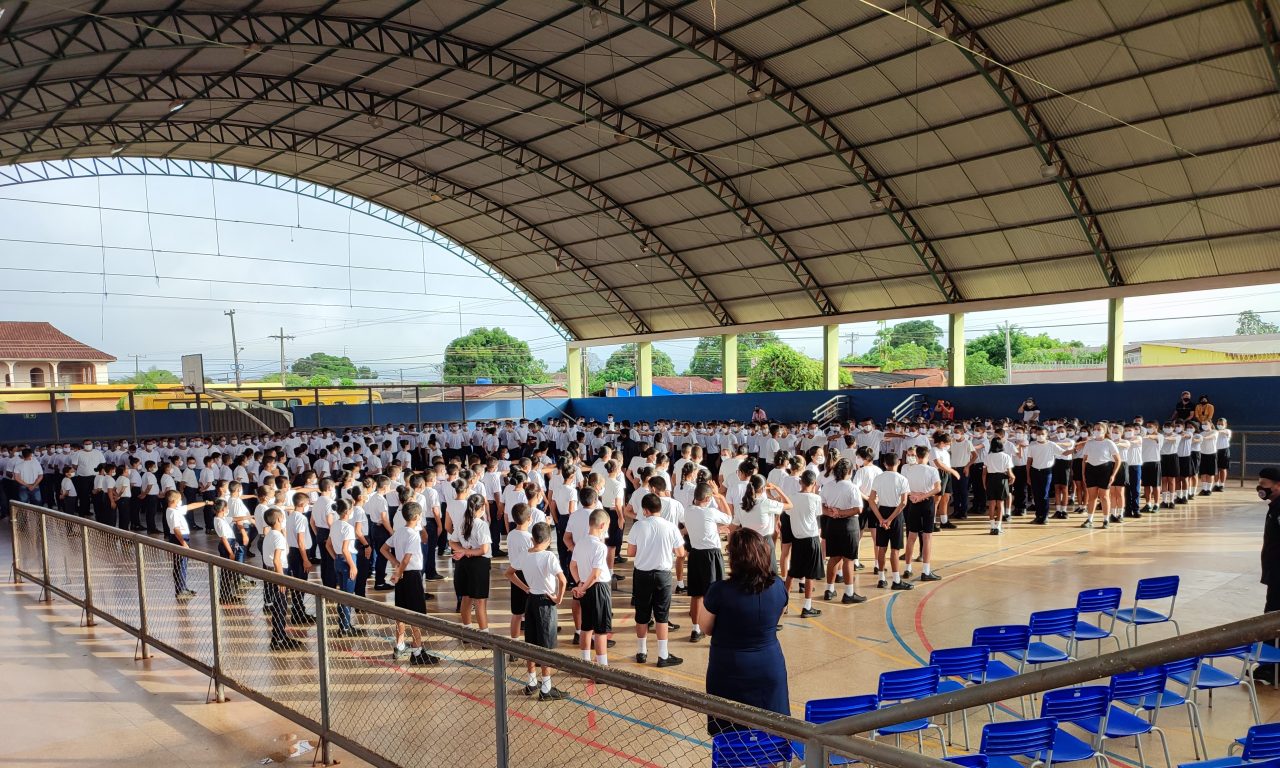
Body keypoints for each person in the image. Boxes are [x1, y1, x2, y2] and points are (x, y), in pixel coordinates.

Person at [700, 529, 789, 735]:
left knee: (729, 734)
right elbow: (778, 614)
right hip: (768, 664)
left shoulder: (720, 591)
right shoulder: (778, 586)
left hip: (729, 668)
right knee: (770, 732)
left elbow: (705, 627)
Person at [509, 521, 569, 700]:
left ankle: (531, 682)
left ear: (532, 538)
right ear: (548, 539)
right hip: (545, 602)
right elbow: (563, 580)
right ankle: (546, 688)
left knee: (531, 643)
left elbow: (509, 573)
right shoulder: (549, 556)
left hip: (531, 600)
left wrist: (525, 587)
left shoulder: (525, 555)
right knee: (545, 646)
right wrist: (558, 598)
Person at [627, 493, 686, 666]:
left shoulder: (638, 526)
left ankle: (641, 651)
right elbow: (681, 553)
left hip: (642, 574)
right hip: (663, 575)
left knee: (642, 613)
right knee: (662, 615)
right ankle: (662, 654)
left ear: (645, 510)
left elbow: (630, 552)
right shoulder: (670, 527)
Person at [382, 502, 441, 666]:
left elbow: (384, 549)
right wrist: (398, 571)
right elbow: (407, 559)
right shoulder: (413, 535)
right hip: (412, 576)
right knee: (416, 614)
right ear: (417, 517)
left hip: (402, 576)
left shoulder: (399, 532)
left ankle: (399, 645)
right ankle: (417, 651)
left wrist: (395, 564)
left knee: (401, 612)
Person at [684, 482, 731, 641]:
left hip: (695, 554)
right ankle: (715, 627)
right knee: (714, 593)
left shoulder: (689, 510)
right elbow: (728, 518)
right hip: (711, 555)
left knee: (696, 594)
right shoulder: (710, 512)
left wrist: (716, 530)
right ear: (707, 498)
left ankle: (695, 629)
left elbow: (701, 526)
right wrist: (721, 497)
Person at [571, 508, 613, 665]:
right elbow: (596, 574)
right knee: (601, 630)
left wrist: (580, 584)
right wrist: (583, 586)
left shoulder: (580, 543)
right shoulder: (600, 546)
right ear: (602, 525)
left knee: (586, 627)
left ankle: (585, 662)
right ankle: (602, 666)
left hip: (585, 586)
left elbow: (572, 566)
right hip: (598, 588)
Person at [782, 471, 824, 617]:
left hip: (797, 540)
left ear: (801, 482)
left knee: (792, 572)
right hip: (811, 539)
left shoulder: (791, 498)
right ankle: (807, 607)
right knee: (810, 574)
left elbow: (787, 514)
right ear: (813, 484)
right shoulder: (816, 499)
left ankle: (784, 605)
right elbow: (818, 515)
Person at [868, 454, 912, 589]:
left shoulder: (878, 478)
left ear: (884, 463)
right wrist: (890, 519)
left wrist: (881, 519)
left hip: (882, 511)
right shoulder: (902, 479)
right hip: (896, 514)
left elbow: (871, 500)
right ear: (898, 462)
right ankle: (896, 580)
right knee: (895, 549)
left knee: (882, 547)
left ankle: (881, 579)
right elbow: (903, 502)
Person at [262, 507, 304, 651]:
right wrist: (281, 579)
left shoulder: (270, 534)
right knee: (280, 606)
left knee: (279, 606)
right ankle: (279, 638)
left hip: (271, 572)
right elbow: (277, 560)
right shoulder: (277, 536)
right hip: (279, 572)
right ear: (279, 519)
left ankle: (279, 635)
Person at [901, 446, 942, 582]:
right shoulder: (932, 470)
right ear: (927, 456)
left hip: (913, 503)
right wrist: (924, 495)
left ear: (916, 456)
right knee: (927, 537)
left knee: (911, 536)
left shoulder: (909, 469)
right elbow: (937, 488)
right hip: (926, 503)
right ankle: (926, 571)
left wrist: (914, 495)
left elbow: (905, 488)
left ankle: (907, 568)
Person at [453, 493, 493, 632]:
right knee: (480, 601)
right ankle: (485, 635)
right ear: (481, 507)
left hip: (463, 563)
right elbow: (484, 549)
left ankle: (467, 631)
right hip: (479, 564)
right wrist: (466, 551)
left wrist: (462, 550)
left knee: (466, 598)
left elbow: (452, 541)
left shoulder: (462, 521)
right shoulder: (481, 524)